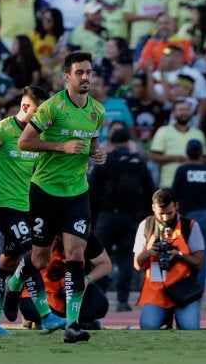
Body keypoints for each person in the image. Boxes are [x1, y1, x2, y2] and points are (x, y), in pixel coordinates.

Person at [6, 51, 107, 343]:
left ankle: (73, 325)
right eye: (80, 73)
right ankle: (15, 283)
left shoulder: (97, 111)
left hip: (77, 192)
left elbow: (92, 146)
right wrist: (61, 147)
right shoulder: (52, 107)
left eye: (89, 72)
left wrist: (98, 154)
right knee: (39, 260)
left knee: (76, 254)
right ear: (67, 77)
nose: (86, 77)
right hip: (45, 192)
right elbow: (26, 141)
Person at [0, 86, 65, 336]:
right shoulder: (0, 131)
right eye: (39, 111)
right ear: (25, 107)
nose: (42, 118)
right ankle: (46, 316)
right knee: (31, 253)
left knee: (9, 263)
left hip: (31, 209)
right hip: (5, 207)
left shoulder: (39, 135)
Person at [89, 126, 154, 312]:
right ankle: (123, 301)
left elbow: (92, 192)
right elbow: (150, 191)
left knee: (101, 258)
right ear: (128, 142)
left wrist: (93, 220)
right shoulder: (139, 163)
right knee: (126, 259)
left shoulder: (106, 161)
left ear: (110, 143)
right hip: (130, 217)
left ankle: (100, 299)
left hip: (107, 216)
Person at [133, 188, 204, 330]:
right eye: (161, 214)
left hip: (183, 291)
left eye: (169, 213)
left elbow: (199, 263)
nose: (165, 218)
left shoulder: (189, 226)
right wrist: (149, 253)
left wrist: (179, 255)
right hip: (155, 291)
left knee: (191, 328)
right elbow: (137, 264)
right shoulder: (146, 225)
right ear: (153, 208)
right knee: (148, 327)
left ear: (176, 206)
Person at [19, 233, 111, 331]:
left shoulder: (83, 234)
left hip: (73, 290)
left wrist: (86, 280)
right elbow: (23, 265)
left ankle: (62, 323)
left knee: (99, 304)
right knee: (29, 308)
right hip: (43, 292)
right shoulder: (41, 233)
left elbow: (105, 263)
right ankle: (79, 324)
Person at [172, 140, 206, 287]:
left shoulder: (182, 170)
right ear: (201, 153)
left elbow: (174, 195)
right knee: (201, 256)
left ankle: (185, 290)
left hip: (188, 218)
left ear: (187, 153)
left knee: (183, 255)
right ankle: (198, 293)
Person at [150, 99, 206, 188]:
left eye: (187, 110)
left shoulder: (198, 133)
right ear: (173, 112)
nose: (184, 113)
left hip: (193, 184)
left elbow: (204, 158)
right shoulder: (163, 131)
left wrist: (191, 160)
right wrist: (174, 158)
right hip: (169, 183)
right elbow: (154, 157)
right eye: (181, 110)